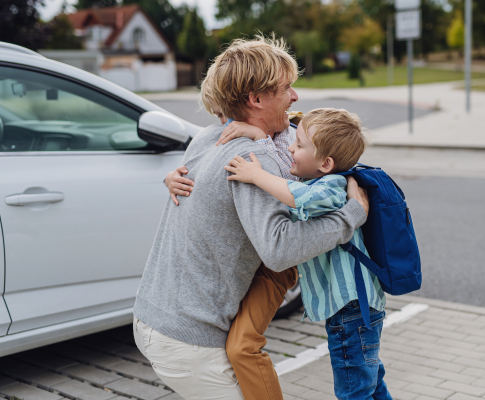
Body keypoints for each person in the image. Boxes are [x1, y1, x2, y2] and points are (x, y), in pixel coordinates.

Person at [132, 35, 370, 400]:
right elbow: (279, 249)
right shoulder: (253, 161)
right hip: (190, 344)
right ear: (256, 100)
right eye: (286, 87)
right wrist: (350, 215)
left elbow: (311, 141)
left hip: (150, 314)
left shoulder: (210, 136)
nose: (295, 96)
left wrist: (260, 135)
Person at [224, 108, 393, 400]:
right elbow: (288, 169)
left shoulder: (333, 188)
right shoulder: (322, 179)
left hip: (352, 311)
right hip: (354, 310)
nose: (290, 147)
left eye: (299, 145)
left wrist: (256, 175)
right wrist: (262, 139)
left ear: (325, 163)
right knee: (369, 381)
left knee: (355, 390)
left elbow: (296, 195)